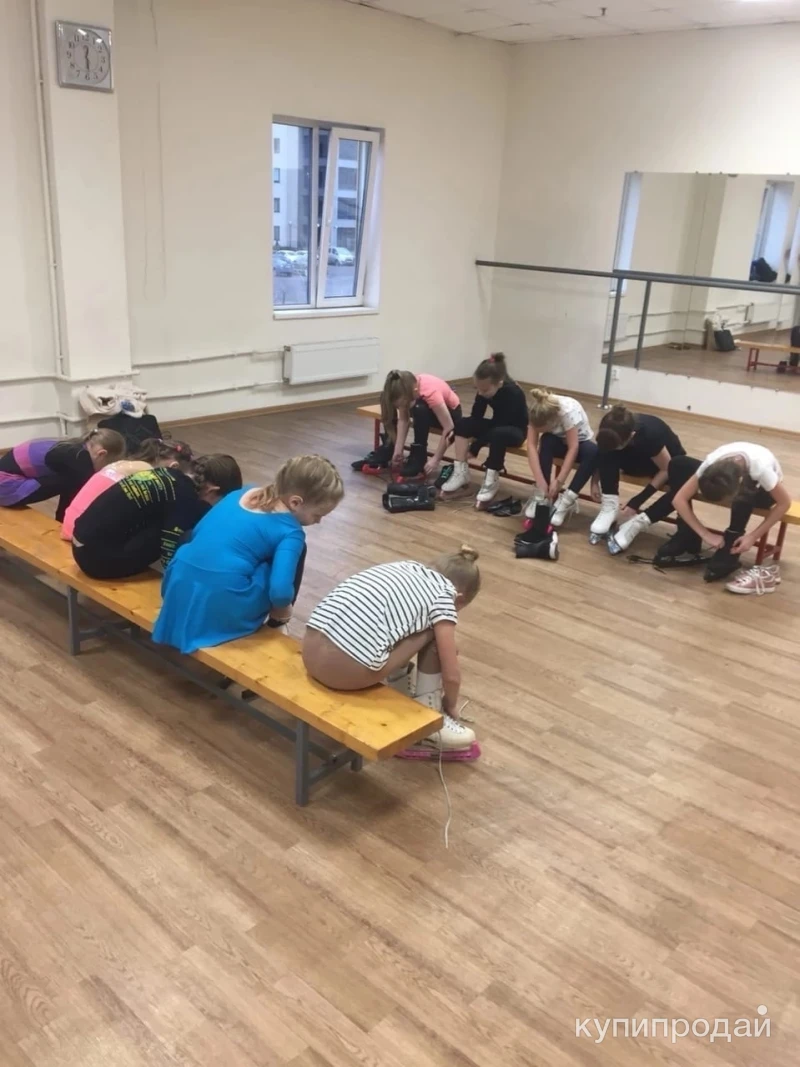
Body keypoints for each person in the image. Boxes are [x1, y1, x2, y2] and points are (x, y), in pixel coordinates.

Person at [153, 455, 344, 653]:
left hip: (177, 586)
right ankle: (278, 623)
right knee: (282, 563)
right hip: (221, 603)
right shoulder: (291, 532)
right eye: (317, 515)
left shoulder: (240, 493)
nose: (318, 521)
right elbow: (279, 592)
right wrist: (285, 609)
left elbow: (197, 533)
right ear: (295, 502)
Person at [303, 546, 481, 753]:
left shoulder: (404, 567)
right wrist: (450, 705)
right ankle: (428, 716)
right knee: (435, 633)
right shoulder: (445, 596)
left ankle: (400, 691)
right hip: (343, 674)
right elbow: (451, 676)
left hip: (309, 652)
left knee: (406, 622)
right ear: (460, 598)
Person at [72, 454, 242, 579]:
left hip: (81, 544)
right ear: (212, 490)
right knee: (180, 530)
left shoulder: (168, 474)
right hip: (96, 561)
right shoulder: (185, 497)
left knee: (169, 519)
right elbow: (169, 548)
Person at [673, 443, 790, 590]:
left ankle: (732, 537)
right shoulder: (710, 464)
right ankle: (723, 544)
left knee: (744, 499)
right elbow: (679, 500)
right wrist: (705, 534)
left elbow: (784, 503)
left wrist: (753, 537)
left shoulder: (761, 470)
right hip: (743, 478)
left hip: (765, 492)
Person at [61, 438, 193, 541]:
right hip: (82, 534)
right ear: (173, 467)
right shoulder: (148, 474)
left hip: (69, 523)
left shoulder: (124, 463)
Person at [440, 354, 528, 507]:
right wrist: (458, 431)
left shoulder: (513, 393)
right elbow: (476, 416)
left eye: (484, 390)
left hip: (515, 431)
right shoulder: (484, 389)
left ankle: (492, 478)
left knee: (498, 434)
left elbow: (502, 425)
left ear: (499, 384)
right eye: (477, 389)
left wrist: (475, 447)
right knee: (463, 423)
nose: (480, 393)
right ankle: (461, 472)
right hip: (497, 425)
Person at [589, 405, 685, 543]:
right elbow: (603, 452)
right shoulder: (609, 430)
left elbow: (666, 469)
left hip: (663, 463)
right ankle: (610, 506)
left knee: (679, 485)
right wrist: (594, 482)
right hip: (632, 455)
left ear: (632, 435)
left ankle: (639, 521)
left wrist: (638, 501)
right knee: (608, 453)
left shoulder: (650, 434)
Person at [0, 429, 126, 521]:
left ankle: (62, 519)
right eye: (107, 464)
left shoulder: (75, 446)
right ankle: (63, 521)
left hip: (9, 479)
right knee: (75, 482)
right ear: (102, 454)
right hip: (5, 487)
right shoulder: (79, 460)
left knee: (73, 480)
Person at [523, 387, 597, 528]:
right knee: (546, 439)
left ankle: (567, 500)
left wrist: (559, 481)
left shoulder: (567, 412)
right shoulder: (535, 412)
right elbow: (531, 446)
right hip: (558, 441)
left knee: (593, 452)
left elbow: (573, 447)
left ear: (552, 423)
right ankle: (542, 496)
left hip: (579, 442)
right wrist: (540, 481)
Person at [379, 370, 462, 479]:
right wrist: (398, 450)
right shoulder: (406, 387)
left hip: (451, 413)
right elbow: (404, 420)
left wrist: (436, 459)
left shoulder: (431, 393)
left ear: (414, 391)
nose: (402, 407)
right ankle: (398, 448)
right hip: (428, 409)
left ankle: (419, 455)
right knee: (415, 406)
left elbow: (449, 428)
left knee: (419, 408)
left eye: (404, 404)